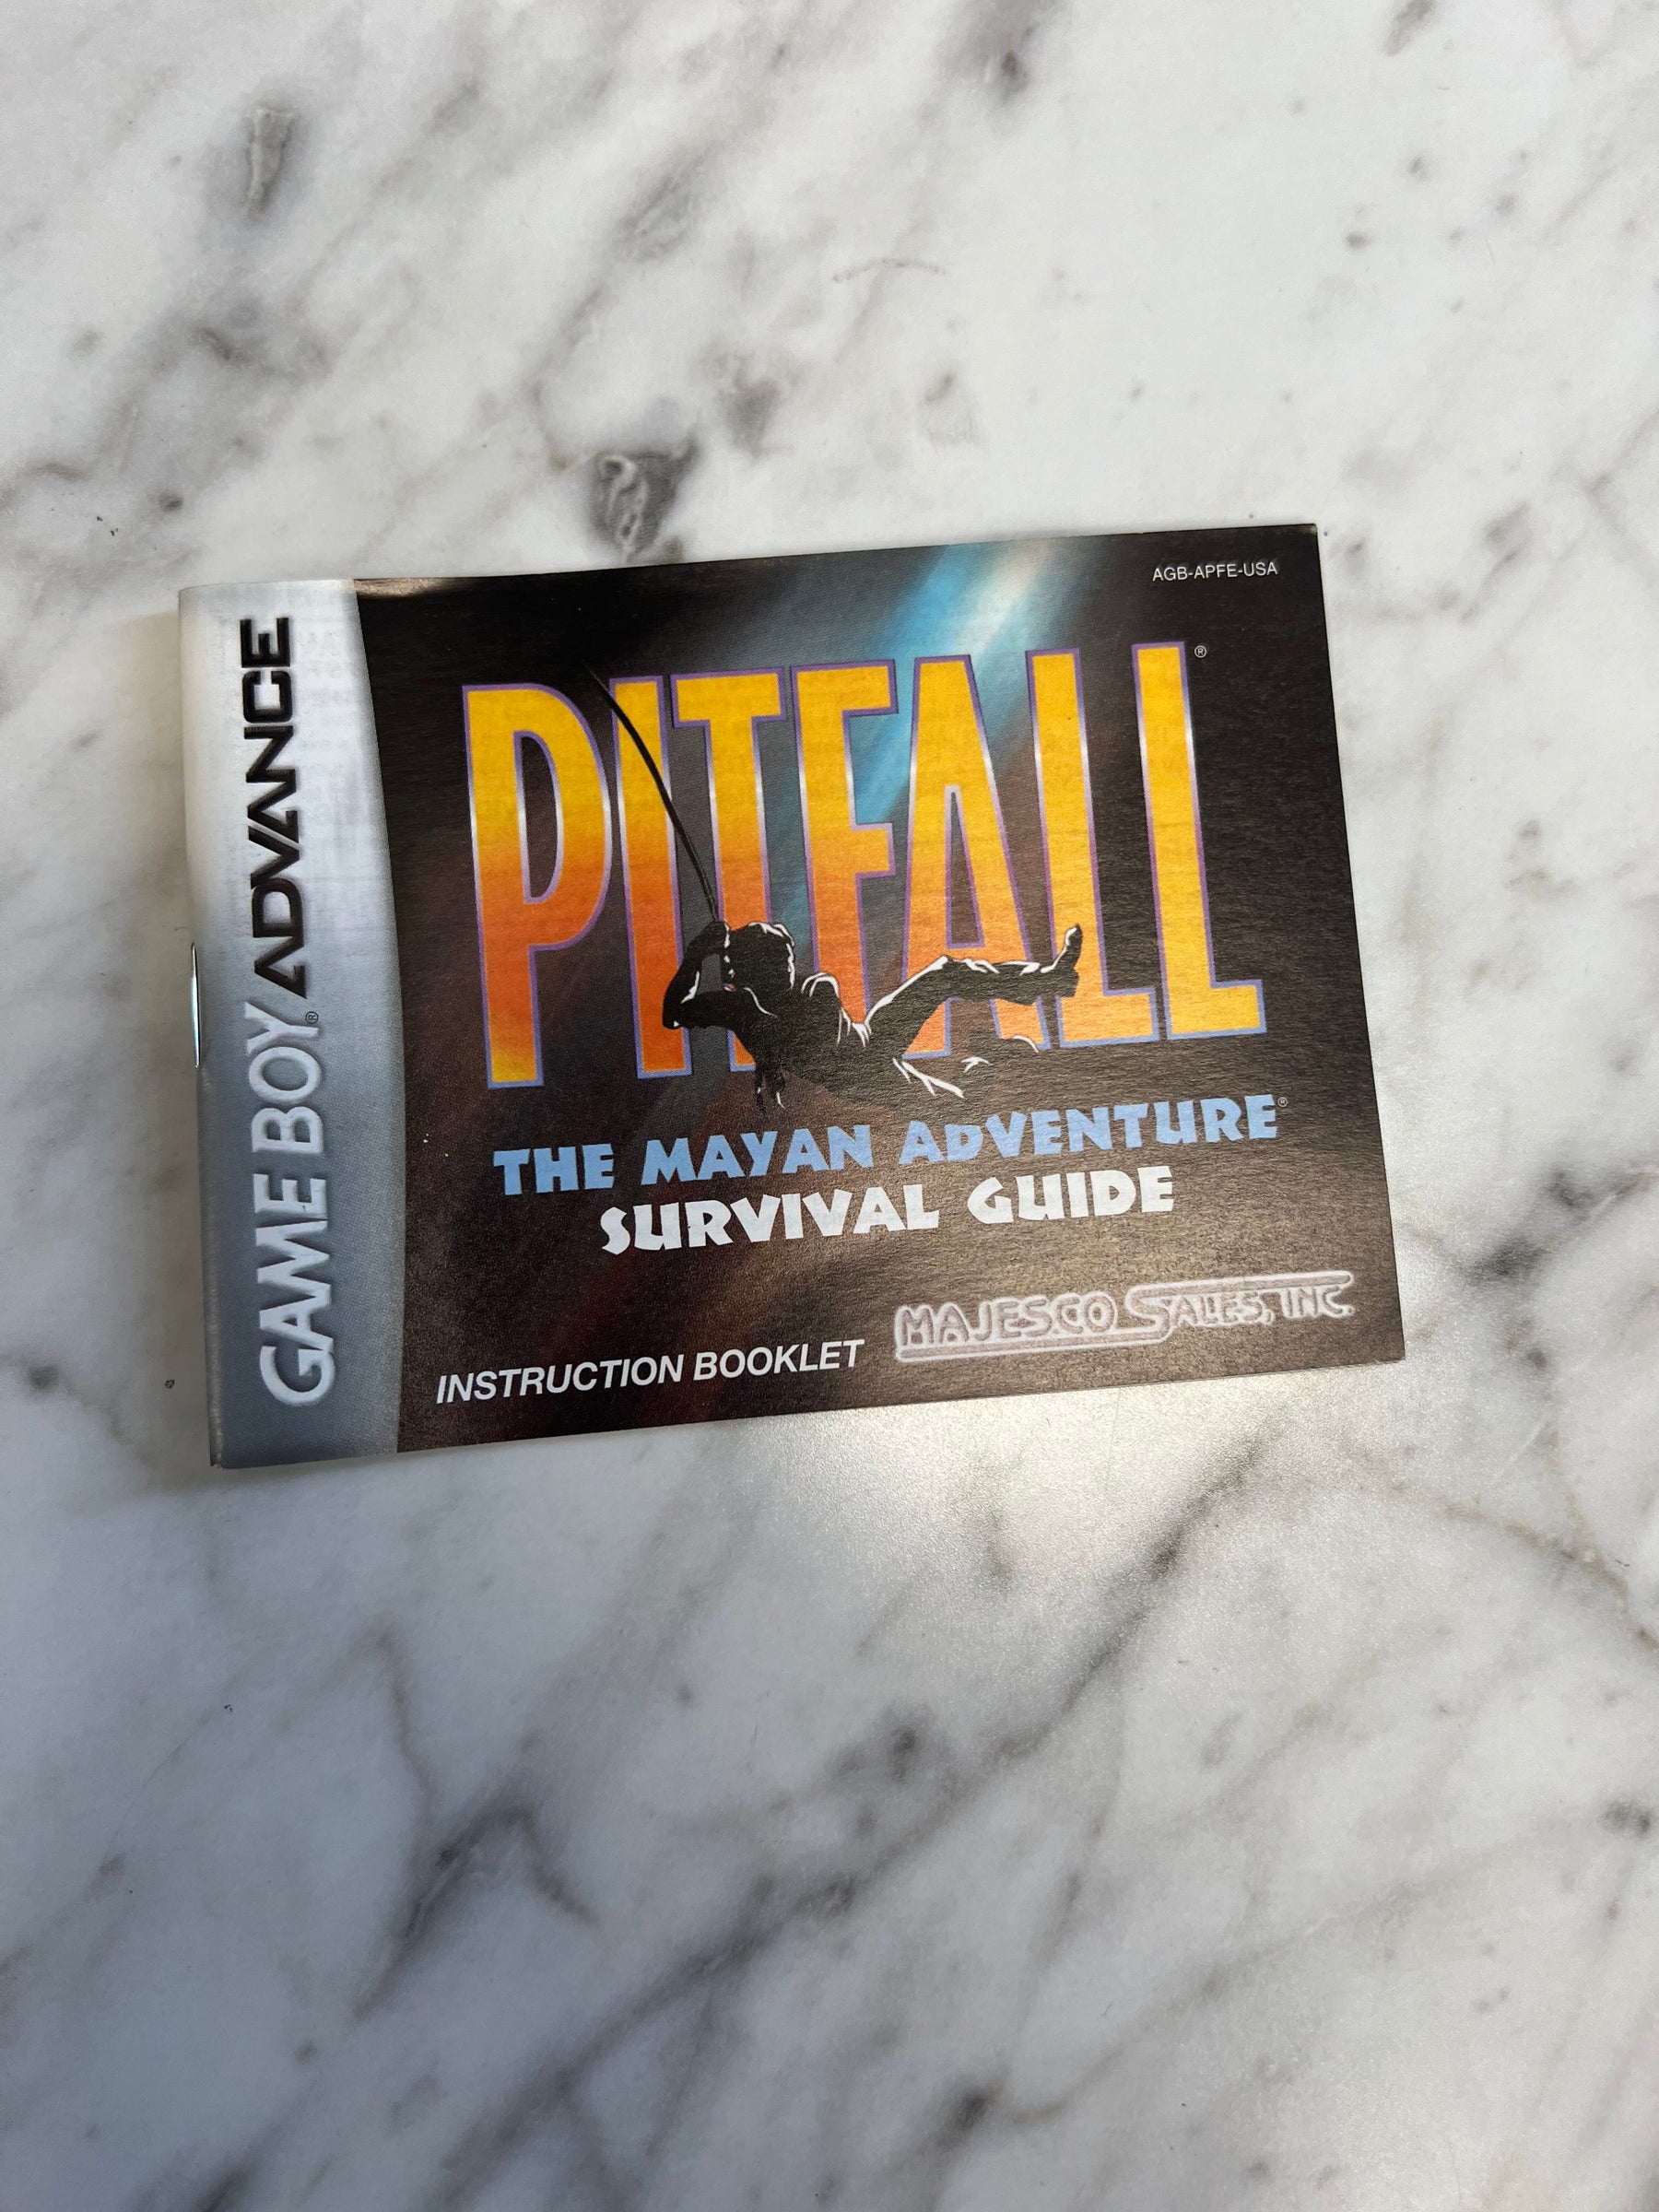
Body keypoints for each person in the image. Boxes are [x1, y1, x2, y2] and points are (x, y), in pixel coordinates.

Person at [664, 917, 1083, 1110]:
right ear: (742, 974)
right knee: (961, 1107)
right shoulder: (740, 1007)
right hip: (865, 1080)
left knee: (944, 972)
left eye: (786, 957)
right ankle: (993, 1063)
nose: (787, 967)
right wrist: (696, 955)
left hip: (871, 1043)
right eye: (775, 961)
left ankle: (1049, 979)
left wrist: (764, 1053)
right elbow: (673, 1014)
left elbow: (812, 1043)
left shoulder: (815, 989)